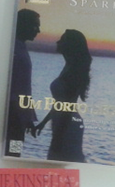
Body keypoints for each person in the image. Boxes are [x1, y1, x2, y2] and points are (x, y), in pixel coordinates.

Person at [32, 29, 92, 162]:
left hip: (67, 125)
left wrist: (58, 136)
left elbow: (67, 106)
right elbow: (59, 104)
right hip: (62, 123)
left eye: (62, 39)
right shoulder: (69, 67)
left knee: (63, 161)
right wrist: (43, 123)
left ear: (70, 45)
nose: (57, 42)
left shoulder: (74, 71)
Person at [5, 9, 40, 157]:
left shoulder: (21, 47)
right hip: (13, 114)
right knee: (12, 150)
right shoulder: (12, 48)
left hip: (19, 115)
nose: (38, 30)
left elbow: (24, 87)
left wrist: (28, 116)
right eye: (35, 26)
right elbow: (16, 87)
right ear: (23, 24)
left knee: (15, 150)